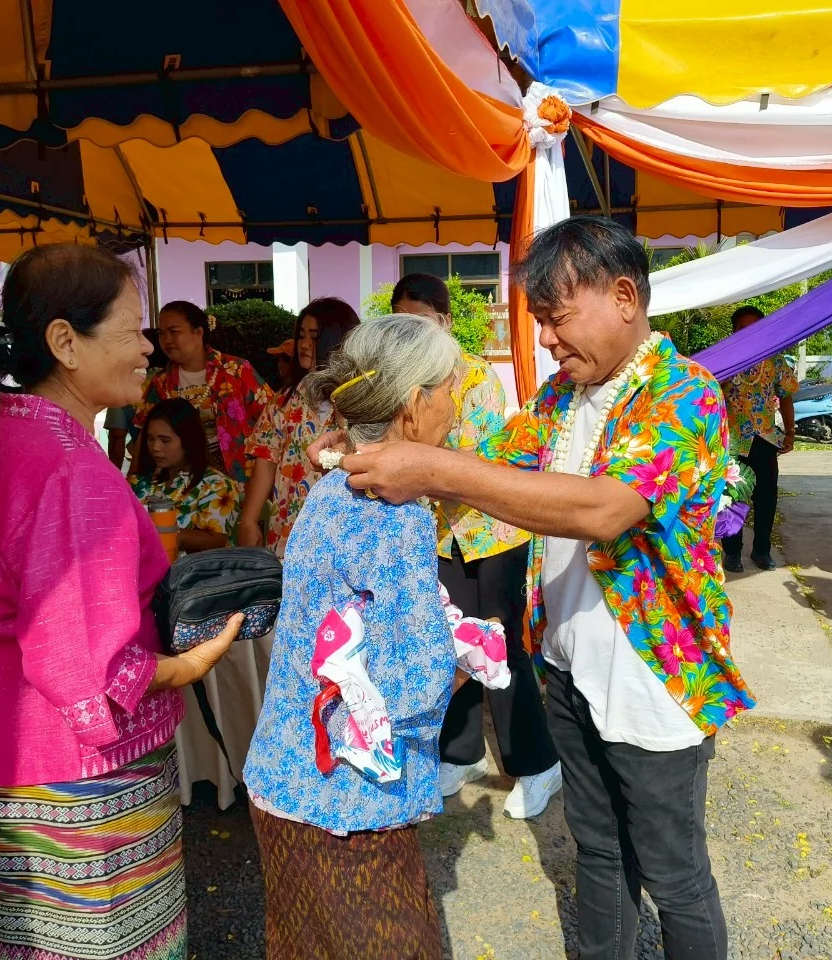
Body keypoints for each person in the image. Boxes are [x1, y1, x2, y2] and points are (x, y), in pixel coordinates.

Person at [322, 216, 752, 960]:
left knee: (673, 874)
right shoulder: (561, 396)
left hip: (654, 679)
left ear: (624, 297)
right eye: (541, 322)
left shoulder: (683, 393)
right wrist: (372, 445)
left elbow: (606, 509)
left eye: (557, 318)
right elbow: (492, 460)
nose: (547, 339)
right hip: (569, 665)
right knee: (598, 848)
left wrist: (429, 469)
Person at [0, 244, 240, 960]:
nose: (147, 348)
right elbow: (96, 669)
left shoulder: (2, 434)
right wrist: (193, 663)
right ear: (64, 342)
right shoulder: (73, 466)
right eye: (133, 330)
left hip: (6, 756)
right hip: (80, 783)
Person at [242, 314, 463, 959]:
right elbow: (413, 683)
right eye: (450, 391)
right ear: (414, 405)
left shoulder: (334, 486)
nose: (456, 407)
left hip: (284, 776)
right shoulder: (398, 516)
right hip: (347, 799)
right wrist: (464, 660)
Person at [390, 273, 562, 818]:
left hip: (494, 532)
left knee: (501, 647)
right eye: (402, 322)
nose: (413, 332)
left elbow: (472, 463)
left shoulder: (476, 376)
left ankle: (537, 764)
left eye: (421, 321)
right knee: (452, 642)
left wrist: (411, 464)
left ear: (443, 321)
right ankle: (461, 752)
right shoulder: (407, 380)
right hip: (445, 535)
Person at [237, 297, 360, 556]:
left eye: (314, 337)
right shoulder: (283, 401)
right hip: (289, 529)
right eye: (301, 335)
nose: (304, 344)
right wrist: (248, 521)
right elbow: (265, 460)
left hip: (344, 531)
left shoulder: (361, 401)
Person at [136, 300, 271, 484]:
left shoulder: (236, 370)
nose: (166, 340)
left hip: (240, 478)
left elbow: (271, 419)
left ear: (198, 333)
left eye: (174, 331)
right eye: (161, 333)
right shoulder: (160, 383)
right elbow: (144, 435)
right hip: (184, 483)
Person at [719, 306, 797, 572]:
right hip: (733, 443)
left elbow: (786, 396)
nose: (750, 333)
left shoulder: (775, 359)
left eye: (755, 327)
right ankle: (732, 552)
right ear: (734, 332)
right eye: (743, 328)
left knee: (766, 499)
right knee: (732, 497)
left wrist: (790, 432)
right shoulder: (725, 358)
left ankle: (762, 551)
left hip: (765, 440)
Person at [129, 397, 242, 552]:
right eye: (150, 439)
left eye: (165, 440)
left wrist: (160, 533)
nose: (155, 447)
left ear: (188, 440)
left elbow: (215, 540)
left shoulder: (216, 485)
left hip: (193, 568)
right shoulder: (138, 482)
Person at [105, 329, 167, 470]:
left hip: (144, 465)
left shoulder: (126, 385)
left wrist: (115, 473)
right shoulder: (174, 381)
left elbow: (117, 435)